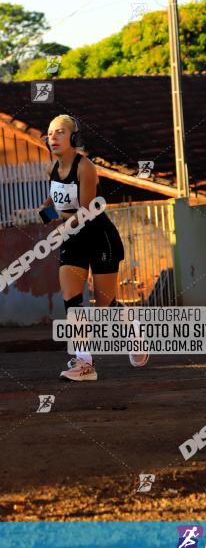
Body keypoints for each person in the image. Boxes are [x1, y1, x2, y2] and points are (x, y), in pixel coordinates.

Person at [39, 114, 131, 380]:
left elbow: (86, 210)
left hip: (98, 236)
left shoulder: (85, 167)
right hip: (72, 239)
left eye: (60, 132)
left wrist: (59, 224)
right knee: (72, 300)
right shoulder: (52, 168)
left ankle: (134, 329)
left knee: (106, 308)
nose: (53, 137)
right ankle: (84, 363)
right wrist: (44, 210)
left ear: (73, 138)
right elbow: (56, 199)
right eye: (50, 133)